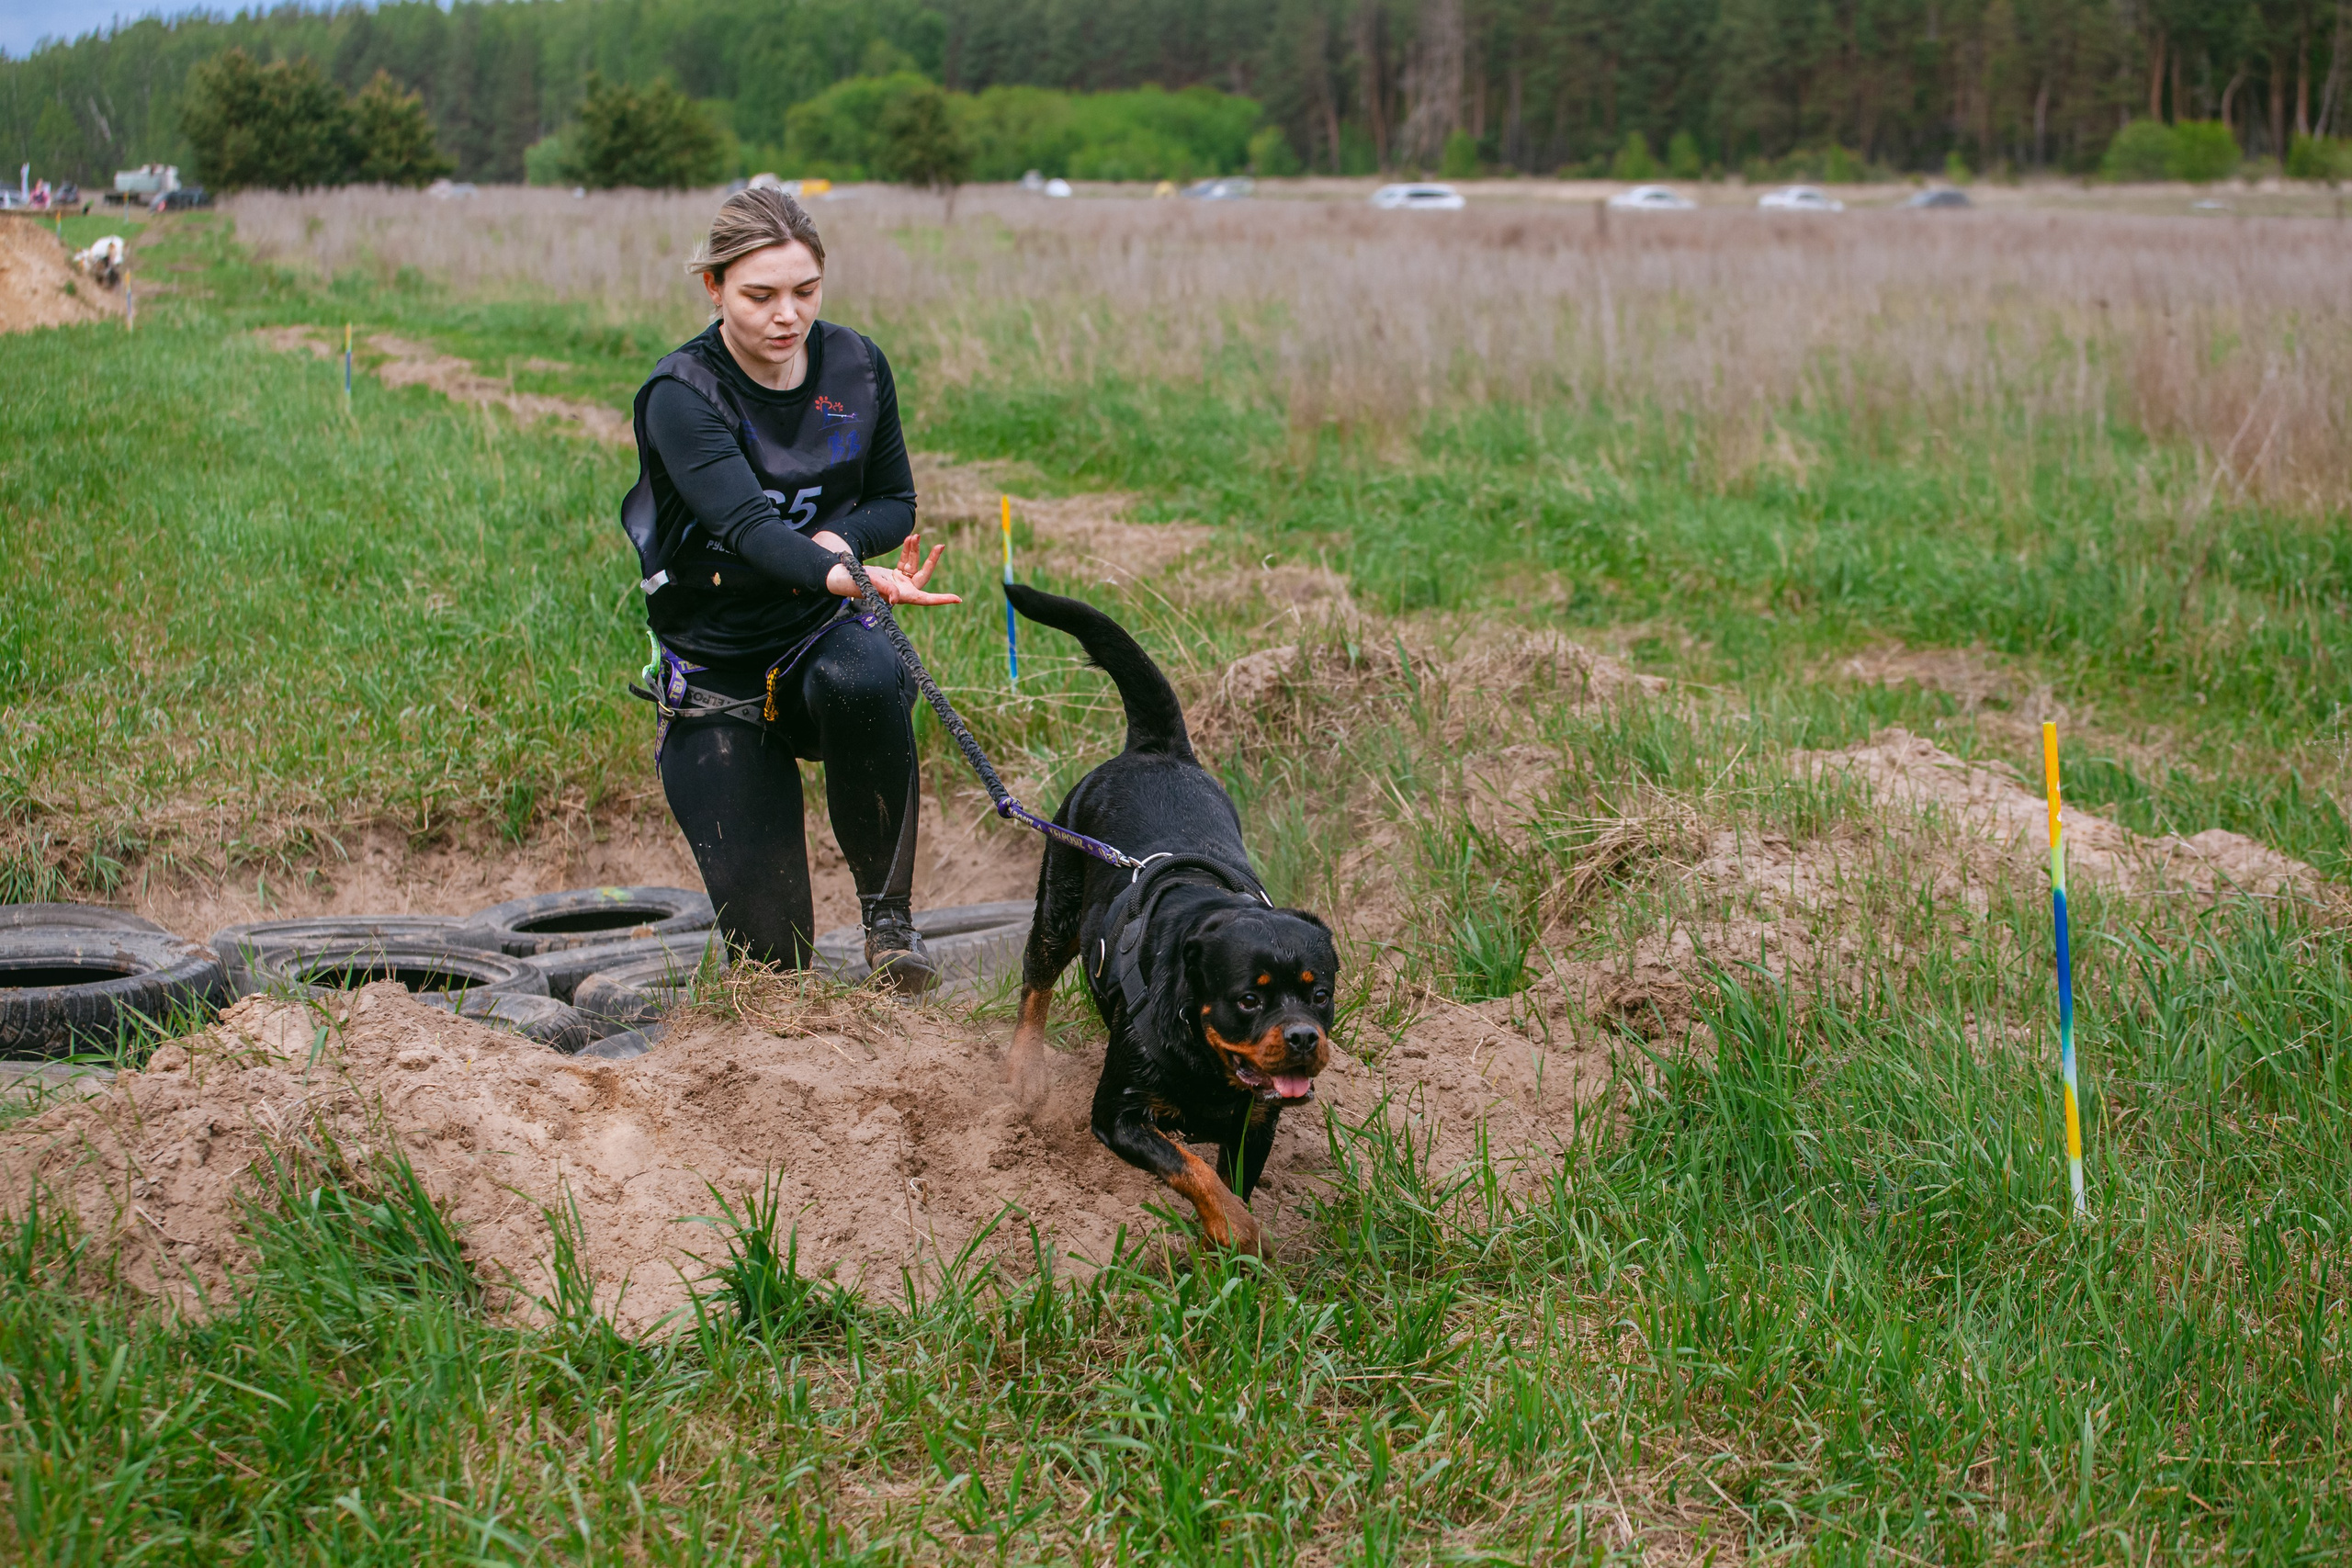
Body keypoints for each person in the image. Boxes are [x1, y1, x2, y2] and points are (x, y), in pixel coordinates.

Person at [621, 187, 960, 989]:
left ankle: (890, 925)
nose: (788, 316)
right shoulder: (682, 394)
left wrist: (841, 545)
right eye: (760, 295)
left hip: (817, 636)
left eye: (805, 292)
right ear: (714, 289)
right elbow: (750, 532)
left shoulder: (858, 365)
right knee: (775, 964)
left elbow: (895, 501)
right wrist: (842, 571)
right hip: (719, 673)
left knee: (869, 670)